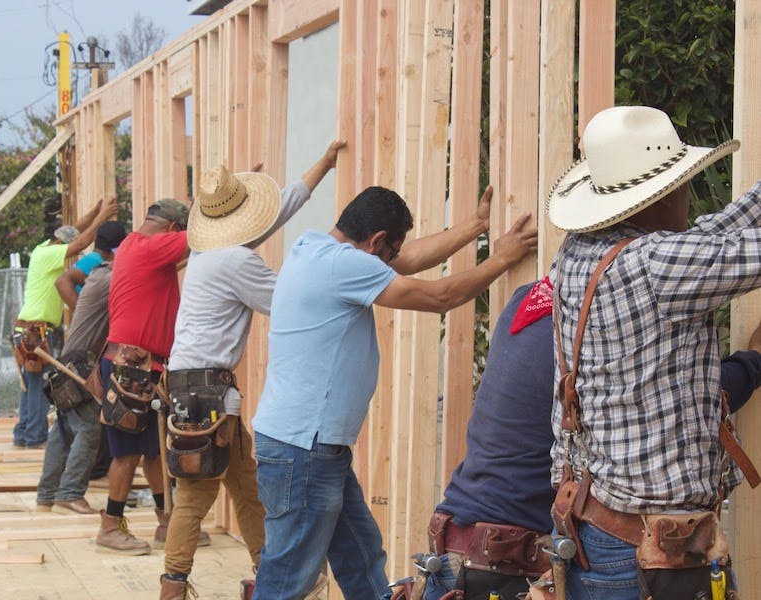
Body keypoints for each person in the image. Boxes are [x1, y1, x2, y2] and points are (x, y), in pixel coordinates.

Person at [250, 184, 539, 600]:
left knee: (360, 555)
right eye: (389, 252)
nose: (393, 264)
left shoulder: (312, 247)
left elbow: (408, 259)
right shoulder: (346, 266)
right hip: (305, 451)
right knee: (287, 579)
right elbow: (440, 296)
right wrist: (501, 259)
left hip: (308, 447)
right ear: (376, 241)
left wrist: (475, 226)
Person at [414, 279, 761, 600]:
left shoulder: (531, 298)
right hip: (503, 568)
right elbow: (678, 401)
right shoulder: (600, 321)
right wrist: (754, 362)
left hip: (456, 552)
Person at [545, 105, 761, 599]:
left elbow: (711, 238)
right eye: (681, 183)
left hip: (597, 532)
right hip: (651, 555)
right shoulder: (656, 265)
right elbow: (721, 252)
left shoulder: (579, 252)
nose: (688, 192)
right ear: (659, 199)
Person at [158, 141, 345, 600]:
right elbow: (289, 302)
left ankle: (273, 577)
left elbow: (277, 211)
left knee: (248, 489)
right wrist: (333, 262)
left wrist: (323, 162)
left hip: (196, 388)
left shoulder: (208, 254)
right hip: (208, 393)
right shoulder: (236, 262)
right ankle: (174, 586)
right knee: (196, 498)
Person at [94, 199, 190, 555]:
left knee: (152, 451)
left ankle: (166, 521)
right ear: (170, 230)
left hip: (140, 367)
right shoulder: (153, 247)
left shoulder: (135, 246)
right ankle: (109, 526)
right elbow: (202, 238)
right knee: (126, 455)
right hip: (131, 369)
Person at [35, 221, 127, 514]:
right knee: (88, 428)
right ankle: (70, 492)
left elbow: (64, 281)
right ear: (118, 250)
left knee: (63, 429)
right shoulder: (107, 274)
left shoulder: (94, 273)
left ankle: (47, 495)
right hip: (81, 360)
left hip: (71, 355)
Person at [12, 196, 117, 449]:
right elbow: (81, 241)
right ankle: (35, 436)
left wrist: (93, 212)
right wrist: (103, 218)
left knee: (30, 382)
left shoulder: (42, 249)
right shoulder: (50, 254)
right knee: (37, 384)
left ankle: (24, 432)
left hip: (28, 327)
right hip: (34, 329)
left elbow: (75, 234)